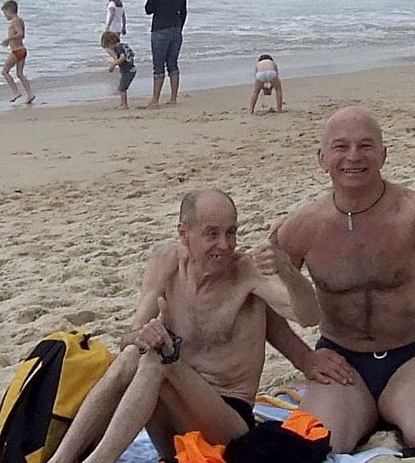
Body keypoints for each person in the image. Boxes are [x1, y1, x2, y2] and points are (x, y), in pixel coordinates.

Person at [48, 189, 344, 463]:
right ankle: (59, 460)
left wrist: (286, 270)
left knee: (159, 362)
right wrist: (144, 334)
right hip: (172, 427)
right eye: (211, 234)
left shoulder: (246, 274)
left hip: (228, 424)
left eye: (231, 232)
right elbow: (129, 341)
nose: (224, 245)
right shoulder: (166, 266)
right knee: (132, 357)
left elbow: (309, 316)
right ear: (183, 234)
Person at [274, 107, 415, 452]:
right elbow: (259, 299)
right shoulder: (302, 226)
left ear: (383, 154)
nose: (353, 156)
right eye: (341, 147)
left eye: (366, 145)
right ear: (322, 158)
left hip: (411, 358)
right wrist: (303, 358)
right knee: (317, 445)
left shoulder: (414, 209)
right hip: (341, 363)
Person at [145, 0, 187, 108]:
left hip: (160, 28)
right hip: (176, 28)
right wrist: (179, 27)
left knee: (158, 66)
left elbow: (148, 9)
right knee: (173, 64)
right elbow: (183, 11)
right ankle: (173, 98)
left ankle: (155, 99)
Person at [0, 0, 35, 104]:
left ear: (9, 11)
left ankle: (15, 92)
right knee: (19, 74)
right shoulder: (19, 20)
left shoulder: (15, 21)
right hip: (22, 50)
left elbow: (21, 34)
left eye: (5, 13)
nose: (5, 16)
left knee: (4, 71)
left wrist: (8, 39)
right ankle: (30, 94)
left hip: (17, 51)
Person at [101, 31, 137, 110]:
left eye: (108, 46)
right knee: (122, 87)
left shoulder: (118, 48)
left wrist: (113, 64)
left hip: (128, 70)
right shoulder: (123, 46)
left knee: (122, 88)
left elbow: (122, 58)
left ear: (110, 43)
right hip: (131, 68)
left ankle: (124, 105)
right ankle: (122, 103)